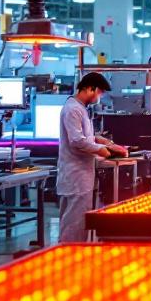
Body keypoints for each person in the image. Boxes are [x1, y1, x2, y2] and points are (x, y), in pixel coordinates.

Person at [57, 72, 128, 242]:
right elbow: (76, 141)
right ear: (90, 88)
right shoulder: (73, 109)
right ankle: (69, 259)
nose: (99, 97)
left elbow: (84, 137)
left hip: (81, 175)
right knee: (73, 225)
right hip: (76, 176)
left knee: (76, 221)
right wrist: (101, 150)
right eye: (100, 92)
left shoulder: (80, 108)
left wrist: (100, 140)